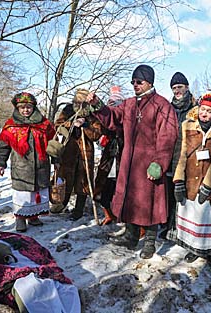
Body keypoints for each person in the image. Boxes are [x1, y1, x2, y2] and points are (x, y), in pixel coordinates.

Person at [86, 64, 178, 259]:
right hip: (130, 163)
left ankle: (150, 242)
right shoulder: (128, 104)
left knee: (149, 202)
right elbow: (112, 118)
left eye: (139, 82)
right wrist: (97, 104)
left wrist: (159, 163)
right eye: (133, 82)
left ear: (150, 82)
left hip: (150, 163)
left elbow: (168, 137)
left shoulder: (162, 105)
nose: (135, 85)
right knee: (131, 200)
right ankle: (131, 236)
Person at [172, 90, 211, 267]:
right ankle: (193, 248)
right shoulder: (187, 126)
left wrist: (208, 185)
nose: (204, 113)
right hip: (190, 179)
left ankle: (210, 250)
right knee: (193, 216)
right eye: (202, 109)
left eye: (209, 111)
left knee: (210, 218)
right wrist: (178, 180)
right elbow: (182, 154)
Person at [0, 92, 55, 232]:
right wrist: (0, 163)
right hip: (21, 167)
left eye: (28, 107)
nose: (25, 110)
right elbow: (3, 147)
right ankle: (20, 219)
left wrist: (56, 160)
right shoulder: (11, 125)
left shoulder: (44, 124)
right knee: (22, 194)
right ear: (17, 108)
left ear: (33, 107)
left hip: (41, 166)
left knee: (36, 193)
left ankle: (33, 216)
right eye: (22, 107)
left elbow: (53, 143)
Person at [53, 89, 103, 221]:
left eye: (81, 102)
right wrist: (70, 124)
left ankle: (79, 209)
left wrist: (85, 125)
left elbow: (96, 134)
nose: (78, 104)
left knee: (84, 180)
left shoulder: (93, 113)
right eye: (77, 102)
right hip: (69, 150)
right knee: (65, 178)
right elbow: (58, 125)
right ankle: (61, 204)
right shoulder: (68, 110)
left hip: (85, 151)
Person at [163, 71, 196, 240]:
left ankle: (182, 227)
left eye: (180, 87)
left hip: (188, 156)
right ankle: (170, 225)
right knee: (170, 193)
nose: (177, 91)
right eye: (174, 88)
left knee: (185, 194)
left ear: (187, 87)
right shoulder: (168, 108)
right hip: (170, 156)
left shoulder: (195, 108)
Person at [93, 86, 125, 225]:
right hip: (108, 159)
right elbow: (96, 134)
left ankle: (123, 217)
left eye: (116, 105)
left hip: (122, 159)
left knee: (121, 190)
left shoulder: (126, 121)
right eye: (111, 104)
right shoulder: (103, 121)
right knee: (101, 188)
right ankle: (108, 214)